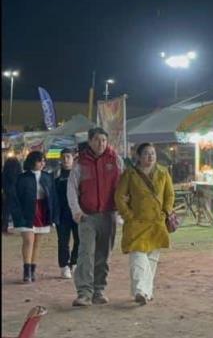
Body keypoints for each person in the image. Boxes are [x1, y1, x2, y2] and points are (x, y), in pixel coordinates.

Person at [68, 127, 123, 307]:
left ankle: (99, 290)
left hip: (109, 215)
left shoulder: (115, 160)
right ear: (90, 141)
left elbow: (124, 186)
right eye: (97, 140)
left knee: (103, 255)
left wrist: (122, 211)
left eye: (104, 140)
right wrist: (76, 210)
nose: (101, 143)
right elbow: (72, 189)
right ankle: (84, 292)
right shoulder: (80, 163)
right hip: (87, 217)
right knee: (85, 254)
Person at [114, 142, 174, 305]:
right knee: (138, 255)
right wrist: (128, 215)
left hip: (156, 222)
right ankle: (140, 290)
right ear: (138, 157)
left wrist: (166, 211)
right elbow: (119, 197)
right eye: (146, 153)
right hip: (136, 223)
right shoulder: (129, 174)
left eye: (153, 153)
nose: (150, 157)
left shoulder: (163, 173)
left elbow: (169, 195)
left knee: (152, 258)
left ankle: (146, 292)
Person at [9, 151, 57, 282]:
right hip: (26, 212)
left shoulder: (47, 177)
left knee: (37, 243)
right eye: (39, 160)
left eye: (44, 161)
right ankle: (26, 270)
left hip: (42, 211)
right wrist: (16, 215)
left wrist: (54, 216)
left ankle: (33, 269)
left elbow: (53, 197)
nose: (43, 163)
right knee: (28, 241)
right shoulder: (21, 178)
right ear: (32, 162)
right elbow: (14, 198)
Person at [55, 148, 80, 279]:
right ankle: (64, 266)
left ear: (73, 158)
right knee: (63, 241)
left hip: (77, 213)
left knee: (79, 239)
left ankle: (74, 262)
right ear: (60, 159)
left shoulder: (78, 175)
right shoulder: (56, 177)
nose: (66, 159)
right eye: (63, 157)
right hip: (62, 215)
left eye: (68, 157)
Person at [3, 154, 24, 233]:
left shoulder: (5, 169)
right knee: (18, 209)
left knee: (6, 211)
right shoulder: (17, 167)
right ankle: (19, 226)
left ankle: (4, 227)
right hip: (15, 191)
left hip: (7, 191)